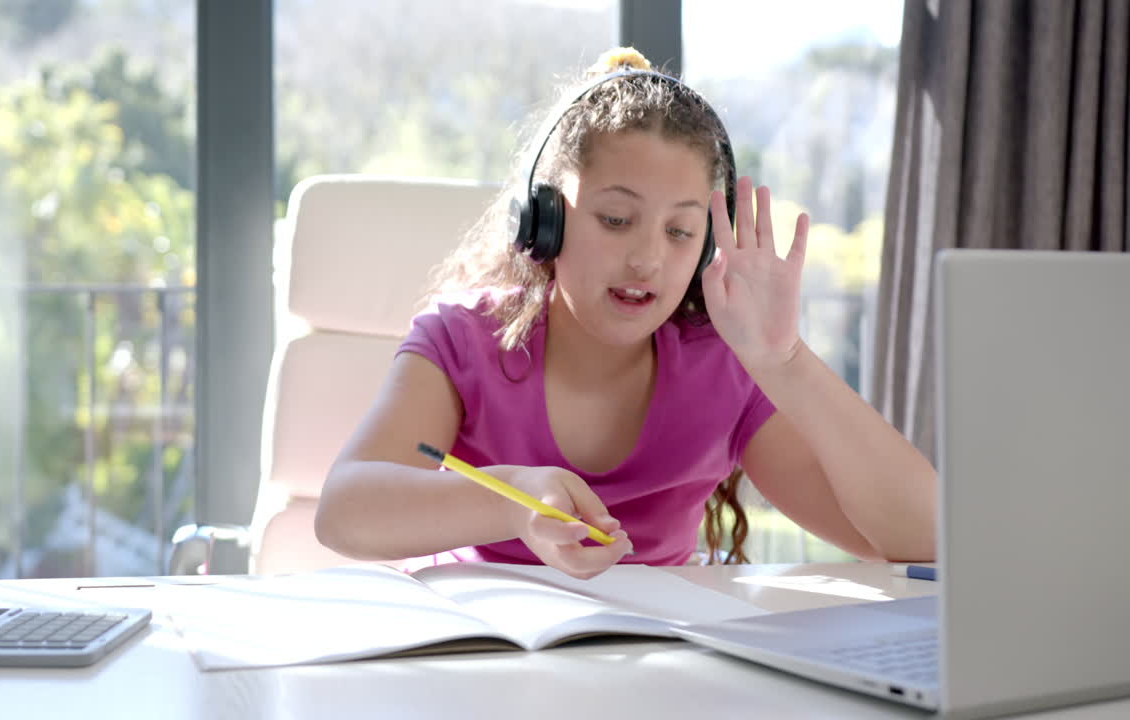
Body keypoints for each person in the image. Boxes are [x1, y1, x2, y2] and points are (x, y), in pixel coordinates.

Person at [315, 47, 936, 579]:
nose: (647, 259)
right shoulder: (464, 339)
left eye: (680, 231)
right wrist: (511, 502)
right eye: (616, 219)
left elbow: (926, 541)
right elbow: (343, 512)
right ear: (545, 221)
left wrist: (786, 360)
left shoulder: (723, 367)